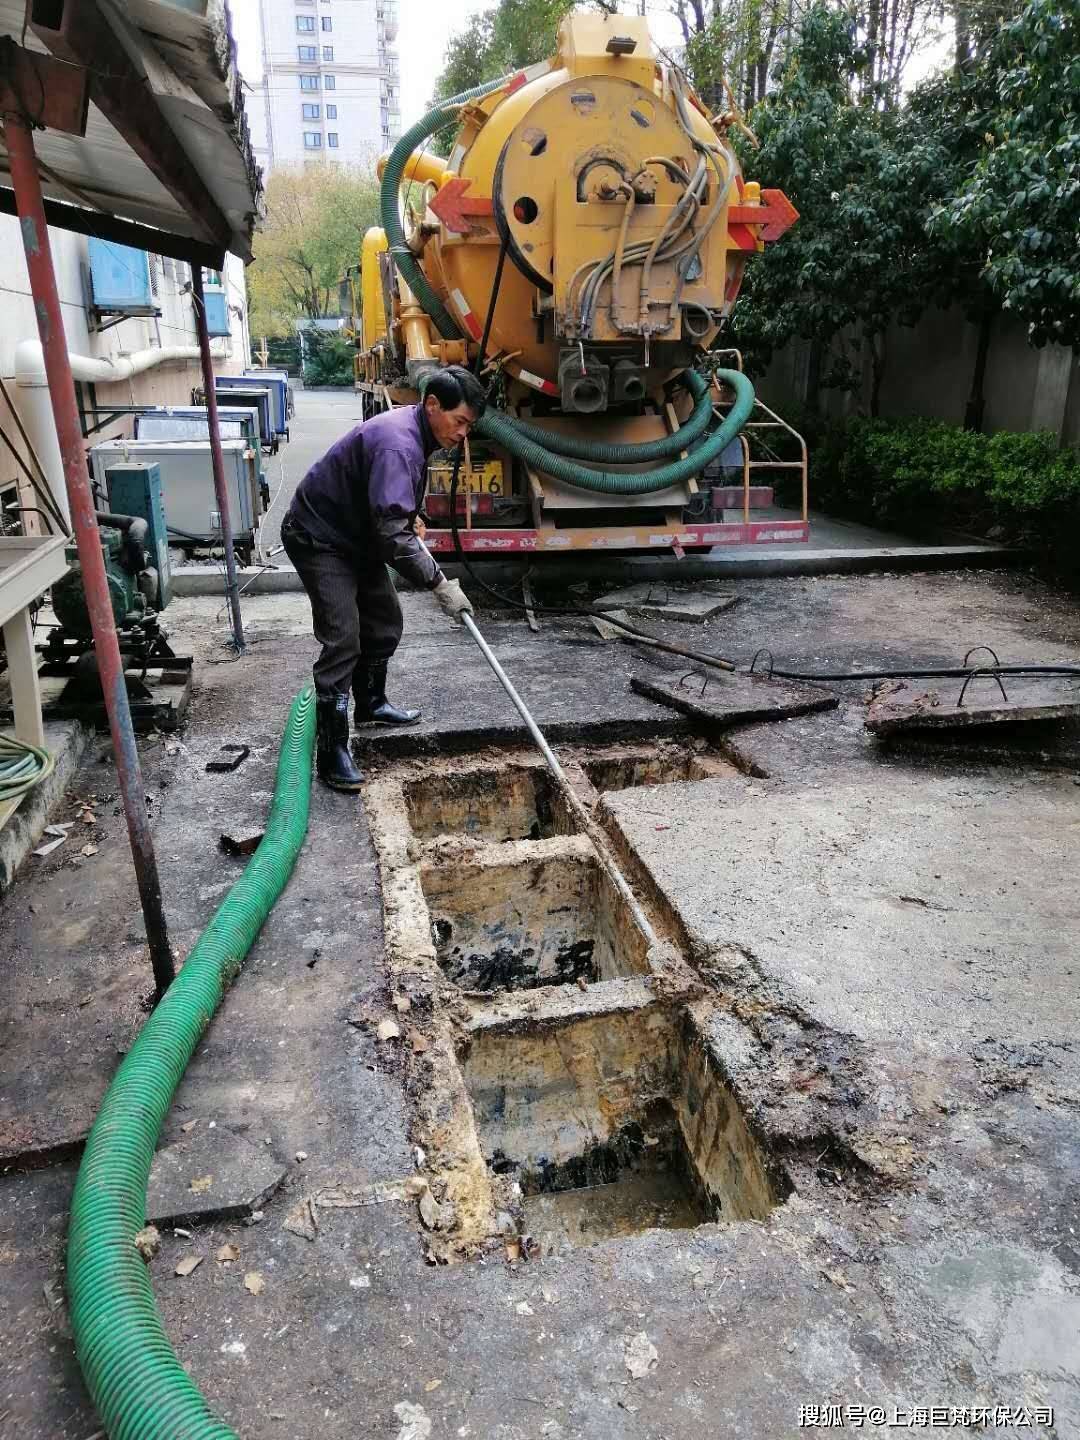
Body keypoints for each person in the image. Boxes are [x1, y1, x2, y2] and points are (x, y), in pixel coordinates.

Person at [281, 365, 483, 792]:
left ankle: (370, 705)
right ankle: (332, 750)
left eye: (470, 425)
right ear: (433, 405)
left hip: (359, 535)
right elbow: (392, 534)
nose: (464, 432)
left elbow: (393, 504)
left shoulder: (417, 432)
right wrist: (439, 584)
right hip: (320, 537)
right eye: (460, 421)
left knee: (385, 620)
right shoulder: (399, 443)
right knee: (344, 638)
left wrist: (416, 516)